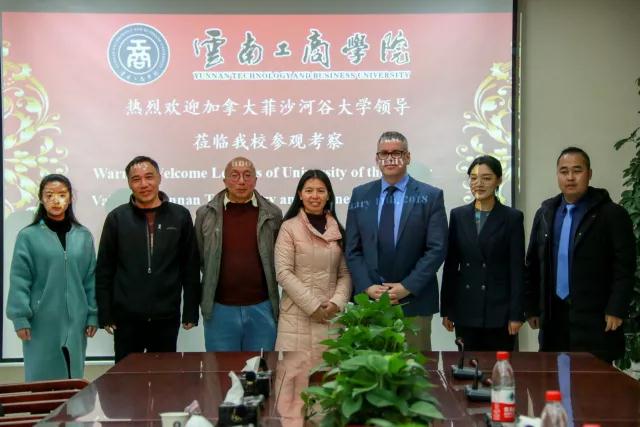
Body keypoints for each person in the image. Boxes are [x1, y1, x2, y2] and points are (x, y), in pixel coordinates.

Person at [525, 147, 636, 363]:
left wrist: (616, 308)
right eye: (564, 171)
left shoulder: (611, 214)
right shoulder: (546, 213)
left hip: (596, 318)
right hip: (554, 317)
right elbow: (533, 264)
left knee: (592, 379)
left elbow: (625, 267)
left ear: (589, 174)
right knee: (554, 376)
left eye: (577, 170)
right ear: (557, 174)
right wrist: (531, 308)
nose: (570, 177)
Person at [345, 131, 448, 351]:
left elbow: (437, 249)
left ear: (408, 157)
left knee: (414, 367)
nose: (390, 158)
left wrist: (406, 287)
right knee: (370, 367)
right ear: (377, 159)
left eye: (397, 153)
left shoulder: (431, 196)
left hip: (414, 303)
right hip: (370, 302)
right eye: (384, 153)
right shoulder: (360, 195)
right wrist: (367, 286)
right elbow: (353, 249)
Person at [96, 156, 200, 362]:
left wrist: (190, 310)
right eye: (136, 179)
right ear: (129, 183)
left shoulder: (180, 216)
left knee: (164, 377)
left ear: (159, 178)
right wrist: (105, 313)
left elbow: (190, 266)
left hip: (166, 316)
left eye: (149, 177)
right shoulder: (117, 218)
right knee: (126, 378)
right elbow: (104, 270)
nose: (144, 184)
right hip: (126, 318)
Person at [7, 174, 97, 380]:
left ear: (70, 198)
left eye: (62, 195)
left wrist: (93, 314)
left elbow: (90, 279)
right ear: (41, 198)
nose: (56, 200)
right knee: (41, 381)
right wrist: (20, 318)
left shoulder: (83, 236)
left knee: (73, 379)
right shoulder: (28, 236)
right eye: (49, 195)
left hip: (76, 321)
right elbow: (20, 279)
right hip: (40, 322)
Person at [195, 157, 282, 351]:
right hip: (219, 308)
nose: (241, 181)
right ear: (225, 180)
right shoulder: (205, 214)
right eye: (234, 176)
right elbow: (201, 258)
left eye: (247, 175)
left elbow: (278, 259)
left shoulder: (273, 214)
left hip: (262, 306)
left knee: (261, 366)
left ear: (255, 180)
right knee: (221, 367)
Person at [440, 155, 524, 351]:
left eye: (486, 178)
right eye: (473, 178)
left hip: (499, 311)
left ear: (498, 181)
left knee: (499, 367)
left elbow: (517, 269)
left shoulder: (512, 217)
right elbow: (451, 266)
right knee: (467, 365)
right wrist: (447, 309)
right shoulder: (458, 215)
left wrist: (516, 314)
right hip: (465, 308)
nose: (479, 183)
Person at [274, 170, 351, 356]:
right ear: (300, 195)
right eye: (309, 191)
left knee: (330, 372)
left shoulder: (338, 230)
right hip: (296, 318)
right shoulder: (288, 227)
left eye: (321, 191)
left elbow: (345, 274)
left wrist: (337, 303)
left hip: (331, 316)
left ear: (328, 195)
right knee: (294, 371)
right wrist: (313, 306)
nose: (315, 196)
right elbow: (283, 273)